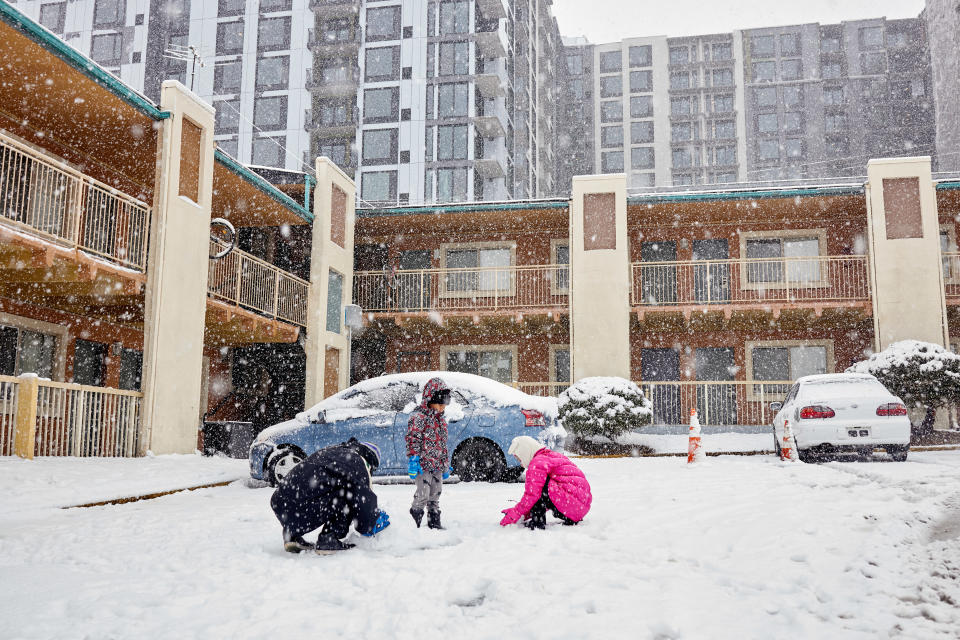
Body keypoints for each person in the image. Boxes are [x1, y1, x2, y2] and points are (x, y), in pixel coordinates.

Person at [270, 437, 390, 554]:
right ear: (370, 459)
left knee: (327, 487)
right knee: (347, 493)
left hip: (280, 503)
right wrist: (372, 521)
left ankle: (291, 537)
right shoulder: (357, 461)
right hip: (303, 506)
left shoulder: (333, 450)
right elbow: (363, 499)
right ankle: (329, 538)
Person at [499, 435, 592, 530]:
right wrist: (524, 515)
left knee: (538, 488)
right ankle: (537, 518)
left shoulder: (537, 463)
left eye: (520, 459)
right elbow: (550, 498)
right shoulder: (551, 455)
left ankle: (537, 522)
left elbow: (533, 495)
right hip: (578, 507)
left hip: (571, 505)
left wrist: (516, 512)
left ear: (526, 453)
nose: (521, 463)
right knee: (541, 486)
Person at [406, 377, 452, 530]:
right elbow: (413, 439)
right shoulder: (419, 418)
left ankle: (434, 522)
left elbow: (442, 444)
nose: (442, 408)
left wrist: (445, 464)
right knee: (423, 494)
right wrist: (413, 459)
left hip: (437, 465)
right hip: (423, 465)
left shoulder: (440, 420)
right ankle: (416, 521)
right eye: (440, 404)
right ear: (430, 399)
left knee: (436, 493)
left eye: (444, 405)